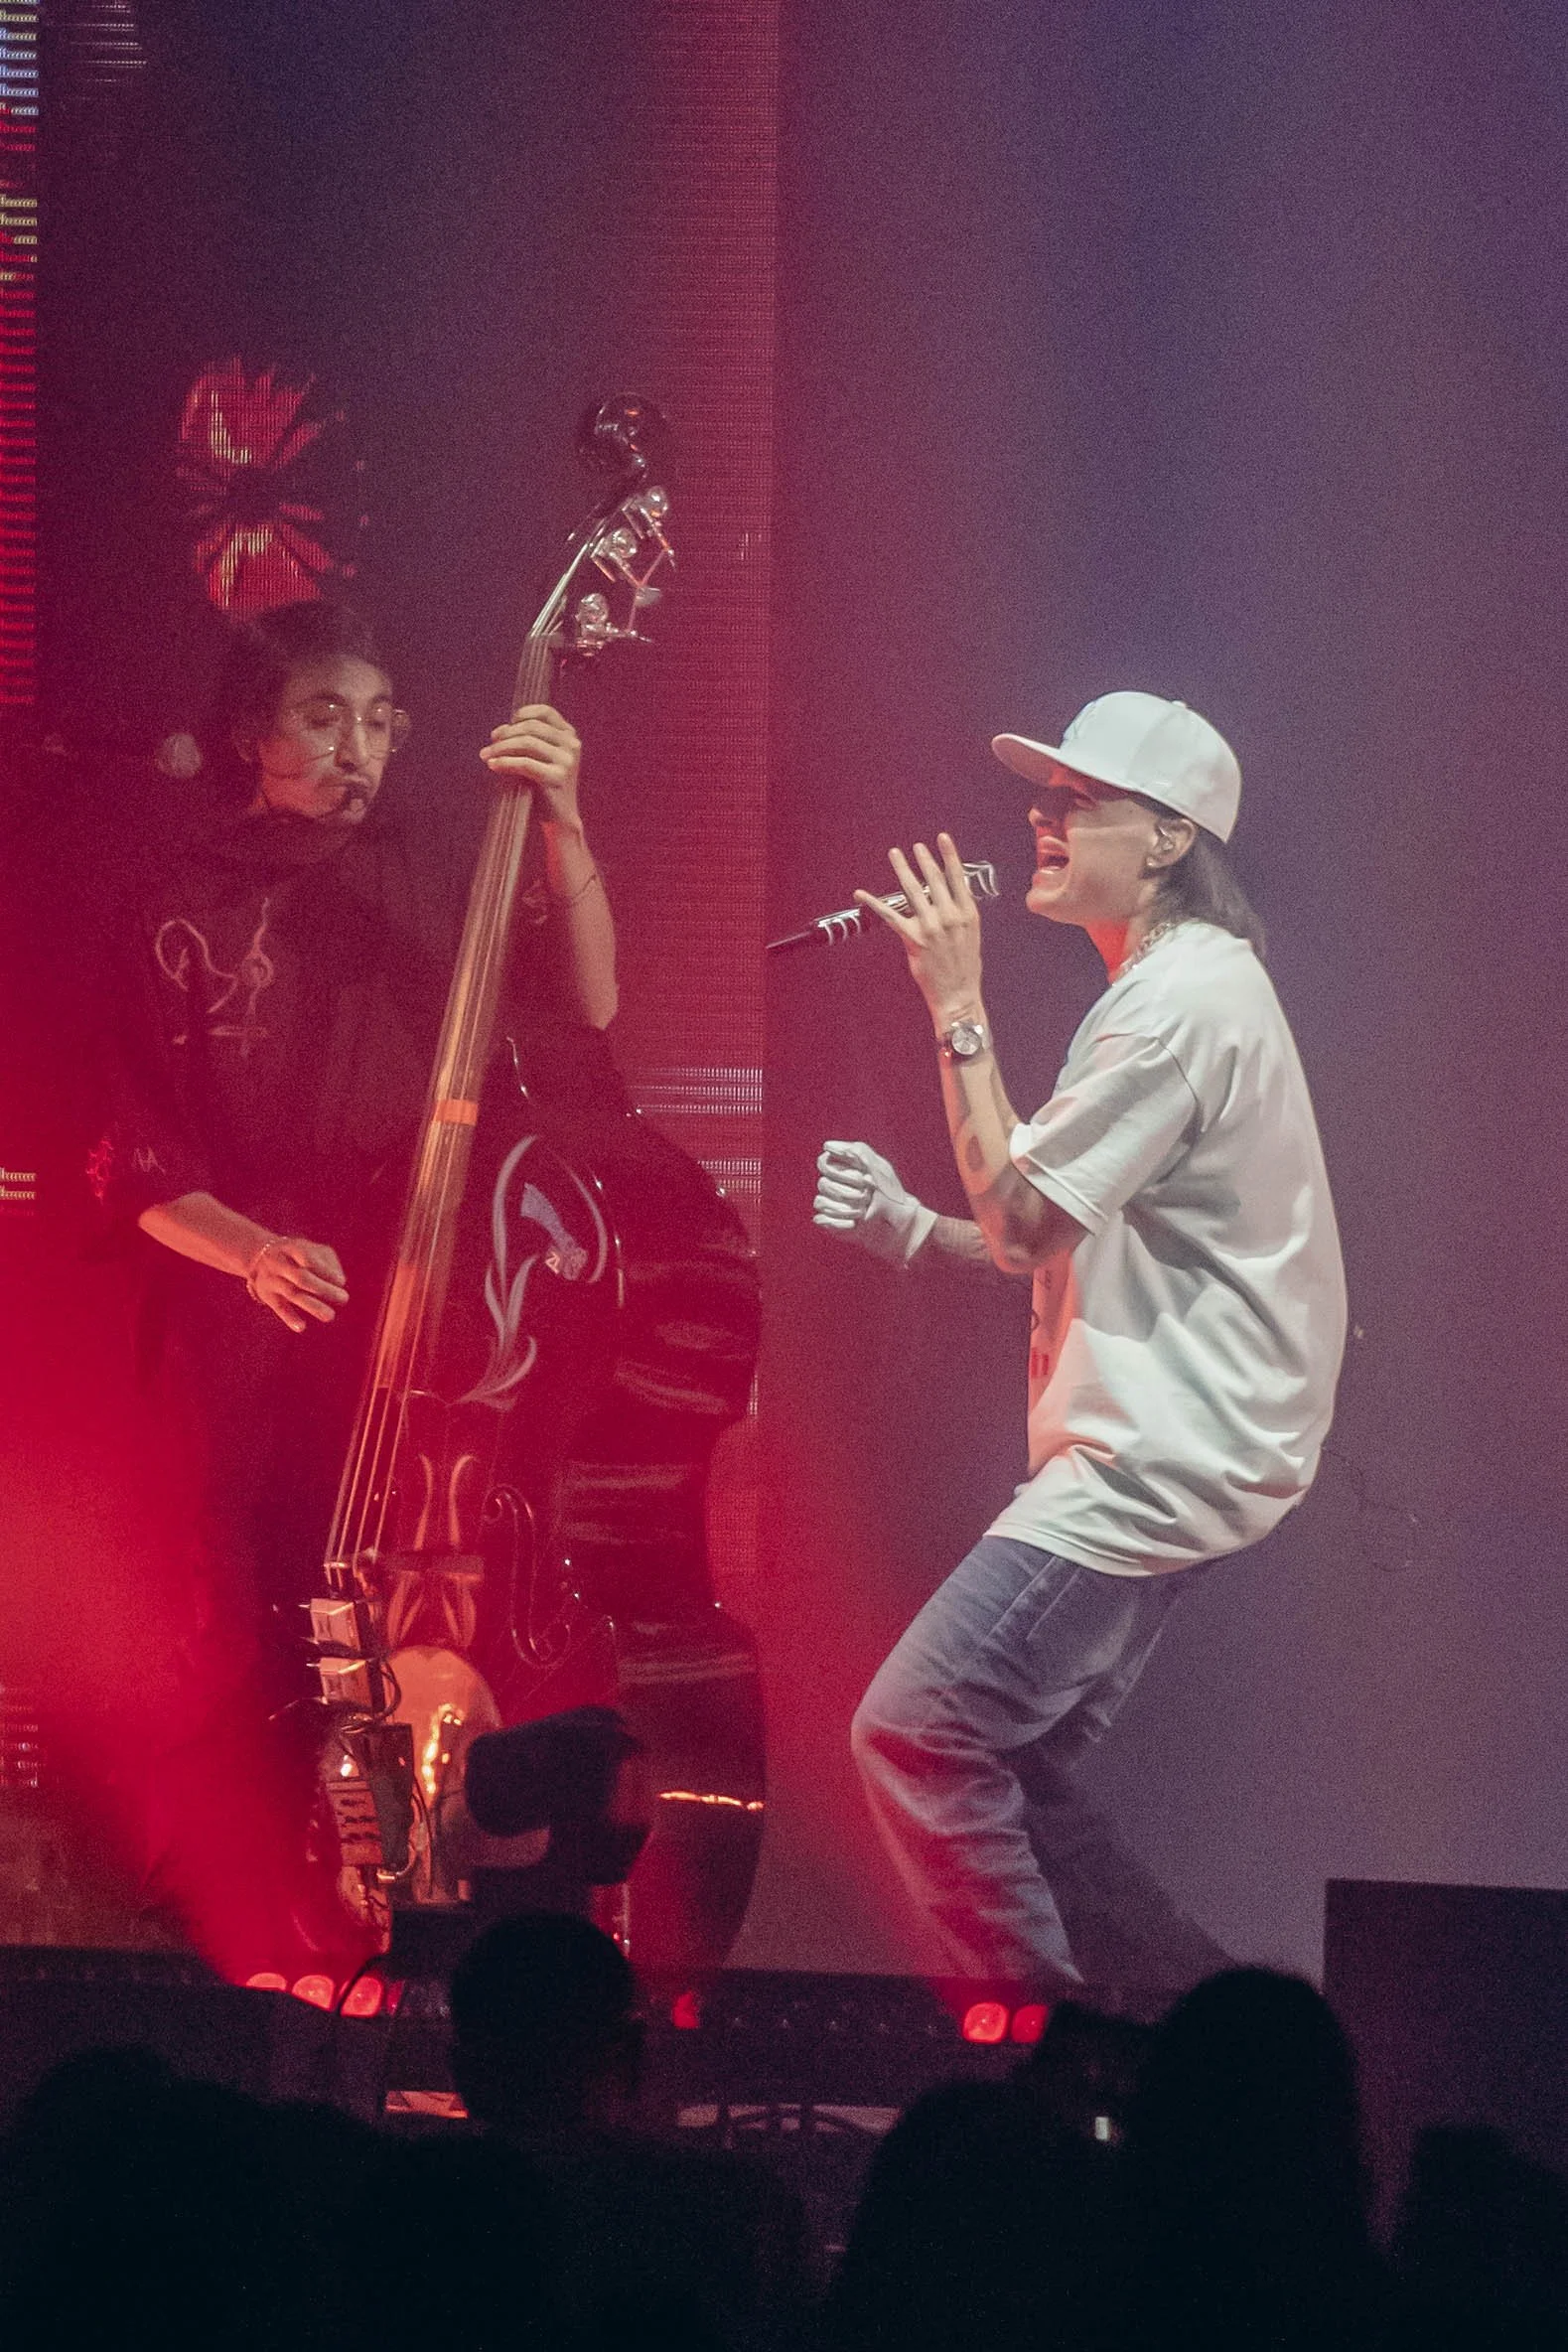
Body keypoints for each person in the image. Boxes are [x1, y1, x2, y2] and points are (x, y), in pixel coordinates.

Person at [87, 598, 619, 1982]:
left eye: (380, 722)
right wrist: (252, 1251)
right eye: (323, 718)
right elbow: (129, 1154)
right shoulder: (174, 901)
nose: (358, 748)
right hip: (247, 1315)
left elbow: (589, 1005)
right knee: (256, 1622)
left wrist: (561, 815)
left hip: (421, 1301)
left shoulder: (436, 867)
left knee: (408, 1612)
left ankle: (410, 1900)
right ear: (249, 736)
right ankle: (265, 1927)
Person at [814, 690, 1346, 1989]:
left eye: (1078, 802)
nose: (1040, 822)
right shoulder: (1175, 989)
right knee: (1007, 1766)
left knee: (915, 1735)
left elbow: (1019, 1219)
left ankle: (1043, 2057)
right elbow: (1053, 1233)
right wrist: (911, 1232)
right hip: (1185, 1447)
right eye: (1041, 799)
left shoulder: (1177, 1011)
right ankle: (1186, 2036)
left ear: (1167, 839)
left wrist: (955, 1000)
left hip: (1153, 1460)